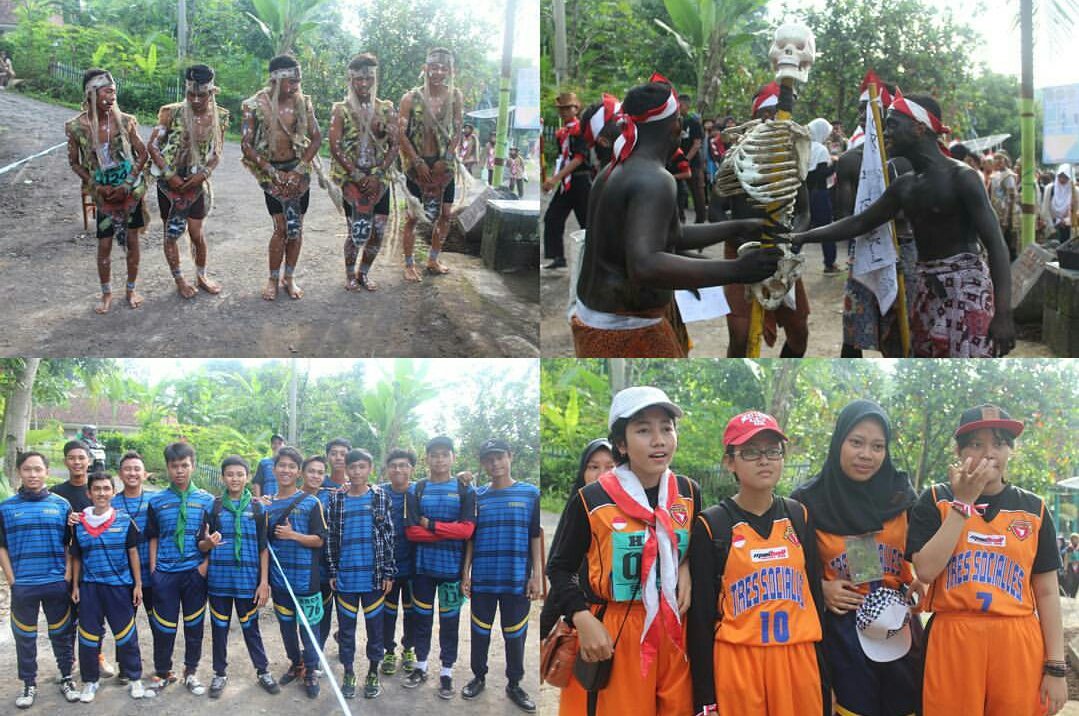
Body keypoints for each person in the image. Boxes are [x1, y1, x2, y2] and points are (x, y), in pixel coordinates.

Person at [794, 92, 1016, 357]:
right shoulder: (905, 186)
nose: (885, 132)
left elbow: (996, 245)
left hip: (965, 290)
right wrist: (801, 237)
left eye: (892, 124)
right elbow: (859, 223)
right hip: (925, 288)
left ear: (919, 128)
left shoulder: (963, 178)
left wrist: (1003, 313)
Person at [573, 81, 782, 358]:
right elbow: (646, 265)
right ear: (676, 126)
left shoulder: (614, 170)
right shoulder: (655, 180)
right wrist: (738, 270)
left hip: (601, 315)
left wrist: (740, 226)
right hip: (625, 328)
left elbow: (673, 235)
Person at [906, 404, 1066, 716]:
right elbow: (924, 570)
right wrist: (962, 503)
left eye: (999, 443)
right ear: (959, 450)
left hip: (1016, 638)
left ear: (1011, 451)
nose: (988, 453)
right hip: (954, 637)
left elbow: (1047, 592)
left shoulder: (1034, 509)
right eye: (976, 444)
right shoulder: (936, 499)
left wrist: (1056, 667)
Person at [546, 386, 698, 716]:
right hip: (615, 631)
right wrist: (582, 617)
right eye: (643, 430)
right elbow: (558, 567)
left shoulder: (687, 493)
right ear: (622, 444)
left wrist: (684, 567)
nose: (659, 439)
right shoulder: (592, 499)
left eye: (666, 428)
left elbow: (690, 547)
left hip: (674, 628)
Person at [687, 411, 828, 716]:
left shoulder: (798, 516)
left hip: (797, 659)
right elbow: (699, 621)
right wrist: (704, 697)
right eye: (750, 451)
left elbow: (815, 599)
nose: (764, 460)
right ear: (730, 462)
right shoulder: (712, 525)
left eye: (772, 450)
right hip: (738, 663)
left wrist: (824, 675)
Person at [790, 401, 921, 716]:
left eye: (878, 446)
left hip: (898, 629)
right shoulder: (806, 502)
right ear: (839, 443)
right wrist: (820, 588)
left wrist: (923, 578)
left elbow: (925, 556)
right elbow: (789, 569)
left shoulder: (901, 495)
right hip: (841, 633)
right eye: (857, 442)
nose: (867, 454)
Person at [712, 82, 812, 358]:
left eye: (779, 114)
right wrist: (745, 244)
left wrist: (790, 242)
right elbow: (716, 211)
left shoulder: (790, 160)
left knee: (799, 333)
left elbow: (804, 212)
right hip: (741, 254)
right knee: (741, 336)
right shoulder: (734, 159)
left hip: (782, 256)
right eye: (768, 113)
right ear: (757, 116)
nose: (774, 120)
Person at [832, 77, 916, 359]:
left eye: (871, 108)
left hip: (905, 250)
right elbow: (846, 216)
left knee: (902, 334)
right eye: (860, 109)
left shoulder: (911, 160)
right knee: (853, 335)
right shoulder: (850, 162)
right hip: (865, 251)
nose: (864, 115)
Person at [460, 439, 541, 712]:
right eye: (489, 459)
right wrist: (466, 573)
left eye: (499, 457)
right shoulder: (477, 496)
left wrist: (537, 576)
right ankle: (478, 676)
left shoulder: (530, 494)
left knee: (515, 634)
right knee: (479, 631)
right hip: (483, 578)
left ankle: (515, 683)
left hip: (517, 578)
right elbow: (470, 538)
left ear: (510, 456)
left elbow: (535, 536)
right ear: (483, 463)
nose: (495, 464)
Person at [65, 68, 149, 314]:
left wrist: (128, 182)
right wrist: (97, 186)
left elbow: (142, 153)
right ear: (91, 92)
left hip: (130, 194)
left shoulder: (125, 121)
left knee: (132, 242)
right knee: (104, 245)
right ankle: (106, 293)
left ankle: (131, 289)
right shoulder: (76, 127)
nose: (112, 96)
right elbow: (74, 163)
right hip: (103, 196)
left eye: (114, 91)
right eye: (107, 91)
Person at [0, 451, 80, 709]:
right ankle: (28, 683)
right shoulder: (6, 508)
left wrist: (67, 574)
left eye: (37, 469)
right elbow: (1, 547)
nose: (33, 475)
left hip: (56, 582)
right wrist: (12, 579)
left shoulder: (61, 504)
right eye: (27, 470)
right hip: (23, 585)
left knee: (61, 633)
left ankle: (67, 677)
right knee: (25, 636)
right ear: (20, 473)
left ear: (47, 471)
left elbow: (70, 543)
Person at [241, 55, 322, 301]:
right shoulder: (254, 105)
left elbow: (316, 138)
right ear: (275, 79)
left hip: (299, 171)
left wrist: (299, 169)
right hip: (271, 173)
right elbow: (246, 145)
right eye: (291, 80)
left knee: (296, 229)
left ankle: (290, 277)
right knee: (281, 228)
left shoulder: (303, 103)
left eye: (299, 80)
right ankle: (273, 278)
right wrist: (272, 171)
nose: (296, 85)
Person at [403, 436, 477, 698]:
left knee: (450, 622)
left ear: (453, 458)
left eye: (445, 454)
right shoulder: (417, 489)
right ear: (427, 459)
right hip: (422, 570)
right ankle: (420, 666)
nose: (440, 459)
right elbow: (412, 532)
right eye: (434, 455)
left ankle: (446, 672)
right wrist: (450, 531)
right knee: (421, 620)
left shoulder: (464, 489)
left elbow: (468, 529)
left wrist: (432, 526)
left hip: (452, 571)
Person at [199, 455, 278, 699]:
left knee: (250, 627)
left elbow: (264, 547)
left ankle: (263, 671)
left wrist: (263, 582)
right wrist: (208, 543)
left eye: (240, 474)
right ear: (223, 477)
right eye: (230, 474)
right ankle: (219, 673)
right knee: (219, 628)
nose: (235, 478)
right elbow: (201, 545)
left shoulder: (258, 508)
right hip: (219, 581)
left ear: (247, 477)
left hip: (247, 580)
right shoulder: (214, 507)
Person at [147, 64, 229, 298]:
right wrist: (169, 174)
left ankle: (201, 275)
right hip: (169, 184)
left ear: (211, 92)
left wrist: (202, 175)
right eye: (190, 94)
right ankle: (179, 279)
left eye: (201, 95)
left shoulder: (219, 117)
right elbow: (153, 146)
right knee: (171, 233)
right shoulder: (170, 112)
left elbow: (217, 153)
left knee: (196, 232)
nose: (194, 99)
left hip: (196, 182)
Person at [69, 471, 152, 701]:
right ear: (89, 493)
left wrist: (137, 584)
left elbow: (133, 553)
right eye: (97, 489)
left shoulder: (125, 521)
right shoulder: (79, 523)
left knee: (126, 635)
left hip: (118, 587)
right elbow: (76, 557)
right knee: (88, 636)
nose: (102, 493)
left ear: (113, 492)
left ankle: (135, 679)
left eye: (106, 488)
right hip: (90, 588)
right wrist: (75, 586)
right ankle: (90, 681)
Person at [326, 448, 396, 700]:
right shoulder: (337, 500)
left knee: (376, 630)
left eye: (361, 467)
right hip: (345, 578)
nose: (356, 472)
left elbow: (388, 537)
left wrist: (388, 572)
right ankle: (348, 672)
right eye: (352, 467)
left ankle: (373, 672)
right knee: (346, 631)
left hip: (374, 578)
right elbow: (332, 537)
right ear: (345, 469)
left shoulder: (380, 497)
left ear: (370, 469)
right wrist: (333, 570)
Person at [145, 442, 215, 694]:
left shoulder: (207, 501)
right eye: (174, 466)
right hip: (165, 574)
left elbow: (214, 538)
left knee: (194, 625)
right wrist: (154, 568)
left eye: (184, 465)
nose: (179, 471)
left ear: (193, 466)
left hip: (195, 573)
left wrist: (204, 566)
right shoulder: (157, 501)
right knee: (164, 626)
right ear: (167, 468)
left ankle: (191, 671)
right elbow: (152, 536)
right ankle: (163, 672)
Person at [329, 53, 398, 292]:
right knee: (357, 231)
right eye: (358, 79)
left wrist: (378, 174)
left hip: (379, 180)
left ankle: (364, 273)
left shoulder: (386, 108)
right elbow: (334, 145)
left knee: (377, 232)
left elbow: (395, 145)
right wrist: (356, 176)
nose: (364, 83)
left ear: (375, 78)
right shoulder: (342, 110)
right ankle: (349, 274)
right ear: (351, 80)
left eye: (369, 78)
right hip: (352, 181)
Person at [264, 446, 327, 699]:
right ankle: (296, 662)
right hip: (280, 580)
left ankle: (311, 669)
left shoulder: (312, 503)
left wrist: (293, 535)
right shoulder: (266, 506)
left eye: (291, 466)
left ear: (298, 472)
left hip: (306, 580)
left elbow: (320, 540)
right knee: (287, 627)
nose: (286, 470)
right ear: (274, 469)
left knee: (309, 628)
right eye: (282, 466)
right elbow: (264, 545)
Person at [398, 47, 463, 280]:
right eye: (433, 66)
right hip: (418, 167)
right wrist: (417, 161)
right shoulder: (410, 98)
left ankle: (434, 259)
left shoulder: (455, 96)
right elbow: (401, 133)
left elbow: (457, 130)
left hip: (444, 166)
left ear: (450, 70)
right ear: (425, 68)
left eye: (443, 67)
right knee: (413, 217)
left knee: (446, 214)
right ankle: (408, 264)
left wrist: (446, 159)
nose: (438, 72)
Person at [111, 451, 154, 681]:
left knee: (159, 623)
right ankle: (125, 669)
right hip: (122, 575)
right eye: (127, 469)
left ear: (145, 474)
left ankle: (162, 667)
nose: (132, 473)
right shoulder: (111, 502)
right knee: (124, 625)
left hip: (152, 573)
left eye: (137, 469)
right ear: (120, 474)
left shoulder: (154, 501)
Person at [381, 448, 419, 676]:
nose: (398, 469)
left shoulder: (420, 491)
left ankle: (408, 649)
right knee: (388, 612)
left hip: (415, 567)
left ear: (411, 469)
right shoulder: (379, 493)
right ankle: (388, 651)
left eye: (403, 465)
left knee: (412, 612)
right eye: (394, 465)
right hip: (387, 568)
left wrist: (463, 478)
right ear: (387, 469)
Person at [542, 92, 589, 270]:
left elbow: (579, 158)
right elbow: (563, 158)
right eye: (561, 109)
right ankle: (557, 257)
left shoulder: (580, 130)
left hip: (581, 181)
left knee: (587, 222)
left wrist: (555, 178)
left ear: (576, 109)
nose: (563, 112)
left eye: (567, 108)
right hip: (566, 183)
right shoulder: (561, 133)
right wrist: (553, 178)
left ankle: (593, 258)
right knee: (552, 217)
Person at [297, 454, 338, 652]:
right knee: (299, 615)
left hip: (324, 565)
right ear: (302, 473)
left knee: (322, 612)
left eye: (320, 472)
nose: (315, 476)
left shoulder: (331, 496)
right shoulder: (291, 496)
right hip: (298, 566)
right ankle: (301, 658)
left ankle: (316, 655)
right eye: (311, 471)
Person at [806, 117, 839, 273]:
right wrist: (835, 165)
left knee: (801, 227)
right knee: (827, 230)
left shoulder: (803, 147)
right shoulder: (820, 149)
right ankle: (829, 263)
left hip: (803, 193)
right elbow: (821, 174)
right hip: (819, 193)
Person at [677, 93, 707, 223]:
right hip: (677, 163)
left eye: (679, 105)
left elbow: (697, 144)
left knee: (697, 192)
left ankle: (700, 220)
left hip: (693, 163)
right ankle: (680, 218)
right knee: (678, 191)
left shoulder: (693, 122)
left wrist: (686, 160)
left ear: (685, 106)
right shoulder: (676, 122)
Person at [989, 152, 1019, 260]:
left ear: (1006, 161)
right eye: (996, 159)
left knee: (1006, 240)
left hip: (1005, 214)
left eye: (1000, 159)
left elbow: (1011, 197)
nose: (998, 161)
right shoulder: (995, 175)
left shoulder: (1008, 176)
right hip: (996, 211)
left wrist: (1007, 218)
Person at [1041, 164, 1078, 244]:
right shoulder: (1050, 188)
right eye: (1060, 176)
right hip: (1053, 228)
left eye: (1065, 177)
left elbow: (1077, 210)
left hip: (1070, 228)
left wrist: (1067, 220)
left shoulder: (1075, 191)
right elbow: (1045, 209)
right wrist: (1054, 224)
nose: (1062, 179)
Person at [53, 439, 93, 512]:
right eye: (71, 458)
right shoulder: (55, 493)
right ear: (65, 462)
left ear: (89, 461)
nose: (77, 462)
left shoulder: (98, 491)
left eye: (81, 458)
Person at [252, 433, 285, 497]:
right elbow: (257, 482)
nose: (277, 445)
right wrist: (259, 500)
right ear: (271, 445)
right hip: (267, 500)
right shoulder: (264, 462)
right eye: (274, 443)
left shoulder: (288, 464)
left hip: (284, 501)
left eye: (280, 443)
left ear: (284, 446)